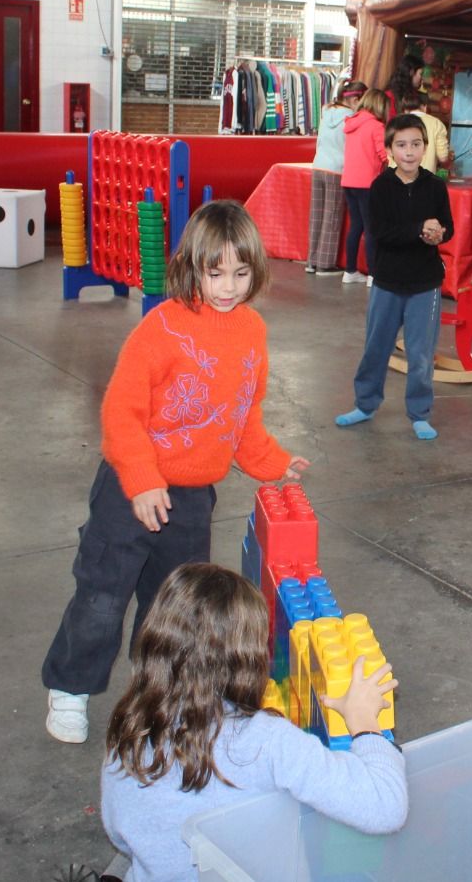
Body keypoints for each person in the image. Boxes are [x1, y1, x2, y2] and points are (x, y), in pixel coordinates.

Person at [41, 200, 310, 745]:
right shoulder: (163, 325)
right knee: (103, 593)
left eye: (240, 273)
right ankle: (70, 687)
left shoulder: (252, 332)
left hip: (190, 498)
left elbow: (241, 415)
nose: (228, 287)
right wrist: (141, 481)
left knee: (174, 606)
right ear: (193, 266)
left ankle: (154, 697)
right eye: (216, 273)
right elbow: (122, 410)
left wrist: (272, 462)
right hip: (130, 488)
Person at [101, 563, 405, 882]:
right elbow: (385, 807)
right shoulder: (266, 739)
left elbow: (118, 831)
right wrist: (364, 724)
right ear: (249, 656)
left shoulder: (129, 725)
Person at [335, 114, 453, 441]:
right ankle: (365, 404)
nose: (410, 151)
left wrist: (438, 234)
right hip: (387, 282)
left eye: (416, 144)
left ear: (425, 147)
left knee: (420, 355)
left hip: (425, 285)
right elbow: (379, 233)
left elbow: (448, 227)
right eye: (401, 145)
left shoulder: (435, 186)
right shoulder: (380, 187)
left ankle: (419, 413)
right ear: (390, 150)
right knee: (377, 347)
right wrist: (418, 230)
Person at [305, 79, 367, 276]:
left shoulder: (327, 113)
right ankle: (325, 264)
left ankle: (311, 261)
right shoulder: (352, 118)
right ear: (356, 99)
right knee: (332, 217)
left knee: (316, 215)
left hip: (318, 166)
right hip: (337, 169)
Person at [339, 89, 389, 285]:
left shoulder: (351, 125)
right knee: (371, 229)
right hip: (368, 183)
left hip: (349, 181)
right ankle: (373, 274)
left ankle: (350, 270)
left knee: (356, 226)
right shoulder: (376, 126)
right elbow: (384, 154)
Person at [397, 89, 451, 179]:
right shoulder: (436, 124)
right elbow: (443, 157)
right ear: (424, 107)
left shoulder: (396, 123)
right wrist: (448, 164)